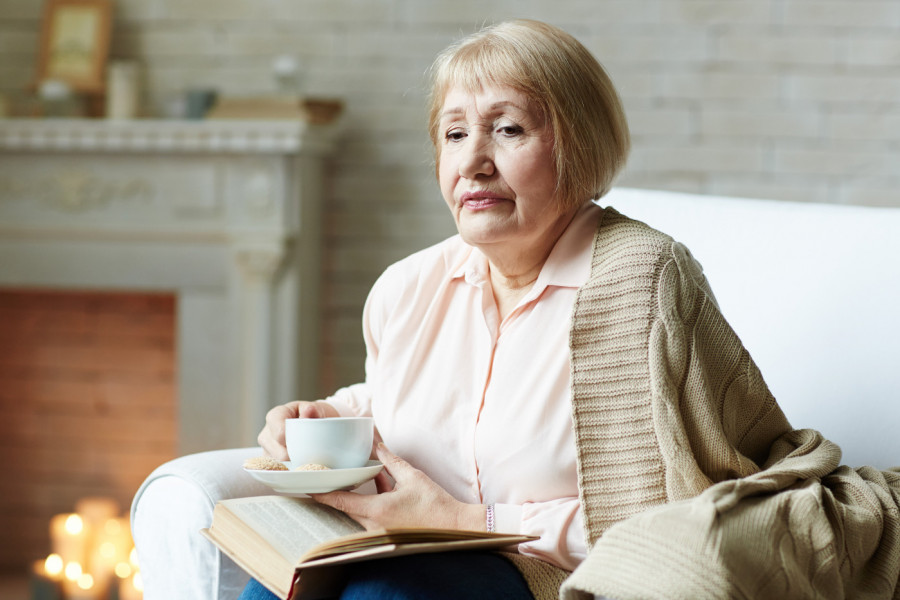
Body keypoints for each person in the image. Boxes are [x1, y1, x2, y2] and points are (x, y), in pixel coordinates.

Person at [240, 19, 900, 600]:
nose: (473, 162)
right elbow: (407, 400)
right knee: (272, 586)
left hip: (554, 577)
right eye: (454, 133)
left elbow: (671, 522)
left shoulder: (641, 280)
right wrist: (324, 417)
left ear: (577, 145)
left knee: (386, 593)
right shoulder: (407, 287)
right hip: (416, 553)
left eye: (508, 129)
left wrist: (461, 520)